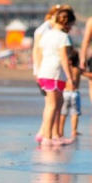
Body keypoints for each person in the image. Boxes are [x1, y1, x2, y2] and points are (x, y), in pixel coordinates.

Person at [34, 9, 76, 146]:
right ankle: (47, 137)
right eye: (71, 25)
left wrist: (39, 71)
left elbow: (39, 53)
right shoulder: (63, 37)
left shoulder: (46, 35)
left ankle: (55, 135)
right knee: (53, 106)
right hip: (55, 73)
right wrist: (70, 77)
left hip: (45, 72)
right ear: (67, 23)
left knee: (55, 104)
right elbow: (64, 58)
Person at [59, 49, 82, 139]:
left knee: (63, 113)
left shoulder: (65, 69)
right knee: (75, 113)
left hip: (65, 92)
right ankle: (74, 130)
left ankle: (60, 131)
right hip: (74, 93)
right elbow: (88, 74)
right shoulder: (78, 69)